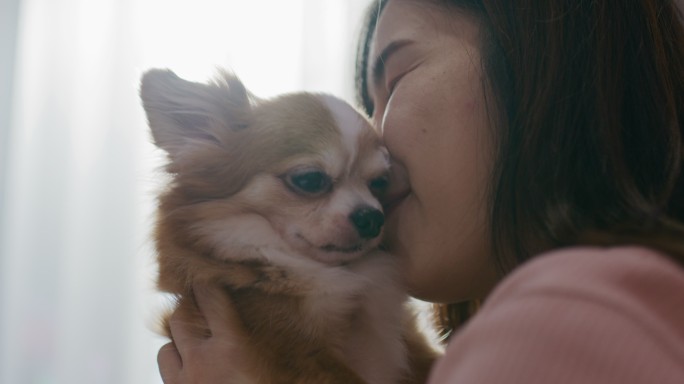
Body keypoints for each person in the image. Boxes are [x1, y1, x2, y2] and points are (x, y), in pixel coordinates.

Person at [157, 0, 684, 382]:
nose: (380, 137)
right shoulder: (632, 301)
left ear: (540, 61)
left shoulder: (566, 324)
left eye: (398, 75)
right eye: (310, 180)